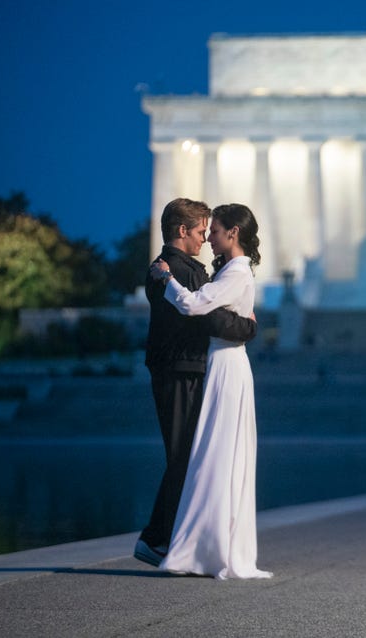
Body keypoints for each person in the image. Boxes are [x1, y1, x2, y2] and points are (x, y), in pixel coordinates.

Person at [149, 203, 272, 579]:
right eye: (205, 231)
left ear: (233, 232)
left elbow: (194, 306)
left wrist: (166, 278)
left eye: (214, 230)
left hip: (225, 367)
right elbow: (217, 315)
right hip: (218, 364)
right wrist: (246, 326)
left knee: (216, 456)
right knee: (213, 458)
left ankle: (207, 547)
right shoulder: (230, 270)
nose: (209, 237)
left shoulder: (235, 271)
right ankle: (204, 543)